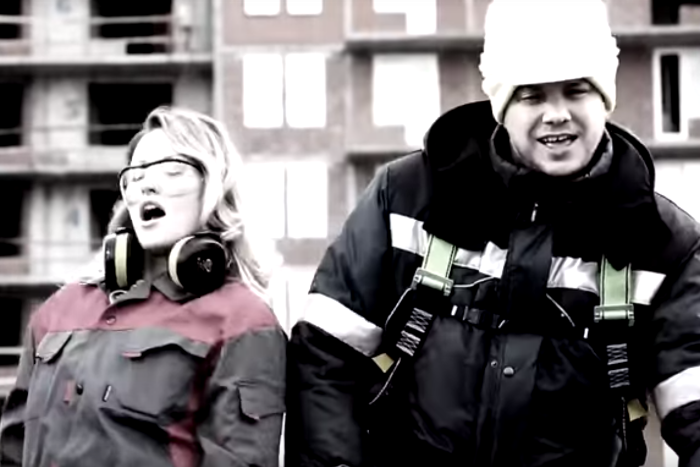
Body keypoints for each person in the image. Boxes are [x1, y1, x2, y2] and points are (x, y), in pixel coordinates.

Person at [285, 1, 700, 466]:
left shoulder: (665, 244)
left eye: (576, 91)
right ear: (502, 105)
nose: (557, 113)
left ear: (604, 97)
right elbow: (325, 361)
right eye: (532, 96)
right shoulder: (405, 198)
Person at [0, 107, 286, 466]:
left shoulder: (243, 321)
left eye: (171, 170)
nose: (146, 184)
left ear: (214, 187)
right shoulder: (59, 309)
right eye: (135, 175)